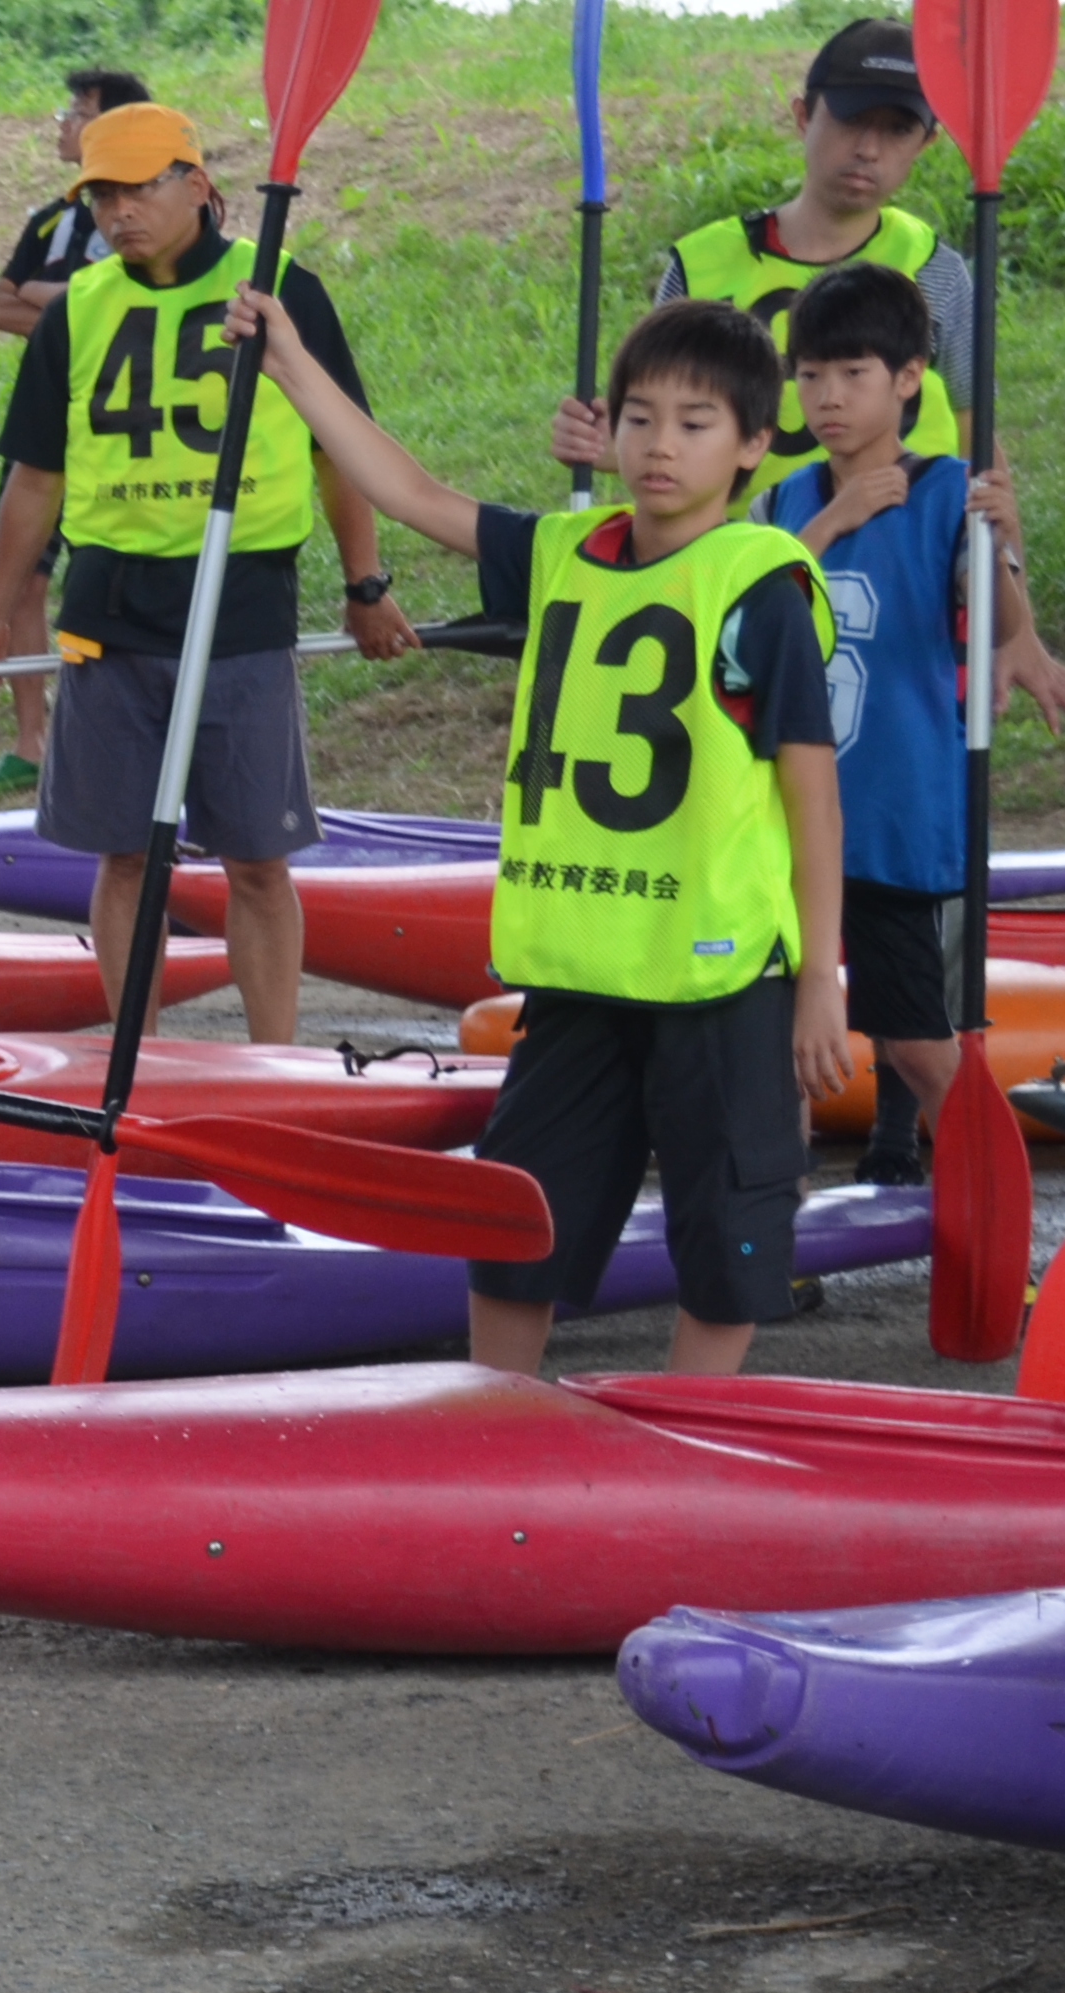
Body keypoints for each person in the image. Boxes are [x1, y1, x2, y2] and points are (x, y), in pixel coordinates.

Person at [243, 291, 843, 1379]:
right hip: (579, 973)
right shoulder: (563, 551)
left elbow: (810, 795)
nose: (659, 445)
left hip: (715, 982)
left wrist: (815, 981)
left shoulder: (758, 587)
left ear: (754, 443)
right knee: (516, 1222)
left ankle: (685, 1444)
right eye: (639, 417)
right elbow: (410, 490)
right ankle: (499, 1423)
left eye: (694, 423)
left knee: (726, 1237)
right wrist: (287, 364)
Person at [0, 102, 416, 1047]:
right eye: (100, 194)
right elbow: (35, 479)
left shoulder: (280, 288)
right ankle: (143, 1058)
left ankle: (275, 1060)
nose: (118, 211)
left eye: (138, 187)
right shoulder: (78, 308)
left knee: (256, 860)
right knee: (125, 856)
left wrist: (365, 584)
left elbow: (344, 451)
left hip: (241, 603)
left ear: (198, 185)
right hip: (108, 611)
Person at [764, 264, 1065, 1187]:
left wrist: (996, 545)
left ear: (910, 379)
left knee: (916, 1047)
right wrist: (831, 520)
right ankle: (771, 1232)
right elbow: (742, 614)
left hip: (895, 822)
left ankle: (990, 1211)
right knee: (769, 1033)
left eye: (853, 374)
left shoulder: (950, 492)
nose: (827, 397)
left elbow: (1001, 632)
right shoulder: (786, 503)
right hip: (779, 825)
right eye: (811, 374)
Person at [567, 20, 973, 496]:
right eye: (850, 120)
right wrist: (604, 443)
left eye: (899, 130)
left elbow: (975, 428)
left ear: (927, 142)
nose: (868, 149)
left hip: (907, 551)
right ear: (803, 116)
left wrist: (1003, 557)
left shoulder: (935, 270)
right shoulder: (702, 264)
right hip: (742, 556)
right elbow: (659, 424)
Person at [0, 66, 149, 792]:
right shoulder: (48, 219)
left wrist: (56, 295)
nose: (63, 124)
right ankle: (30, 739)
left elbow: (135, 302)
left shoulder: (149, 219)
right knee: (24, 580)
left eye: (77, 112)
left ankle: (106, 729)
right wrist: (73, 301)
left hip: (126, 431)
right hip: (52, 425)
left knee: (111, 580)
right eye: (68, 111)